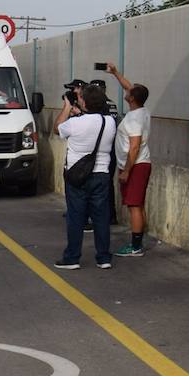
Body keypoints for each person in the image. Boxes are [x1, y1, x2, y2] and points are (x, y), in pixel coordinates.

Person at [53, 85, 117, 271]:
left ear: (84, 102)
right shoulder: (109, 122)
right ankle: (103, 257)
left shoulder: (75, 123)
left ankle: (72, 257)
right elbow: (95, 120)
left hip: (77, 175)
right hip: (102, 174)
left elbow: (57, 128)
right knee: (101, 217)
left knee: (75, 217)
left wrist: (66, 107)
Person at [107, 63, 152, 257]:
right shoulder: (142, 110)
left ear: (132, 98)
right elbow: (128, 86)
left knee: (134, 204)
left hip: (135, 165)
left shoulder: (134, 119)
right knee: (138, 204)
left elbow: (134, 146)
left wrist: (126, 170)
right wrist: (116, 73)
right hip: (139, 163)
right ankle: (138, 241)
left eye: (130, 91)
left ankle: (135, 247)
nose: (127, 89)